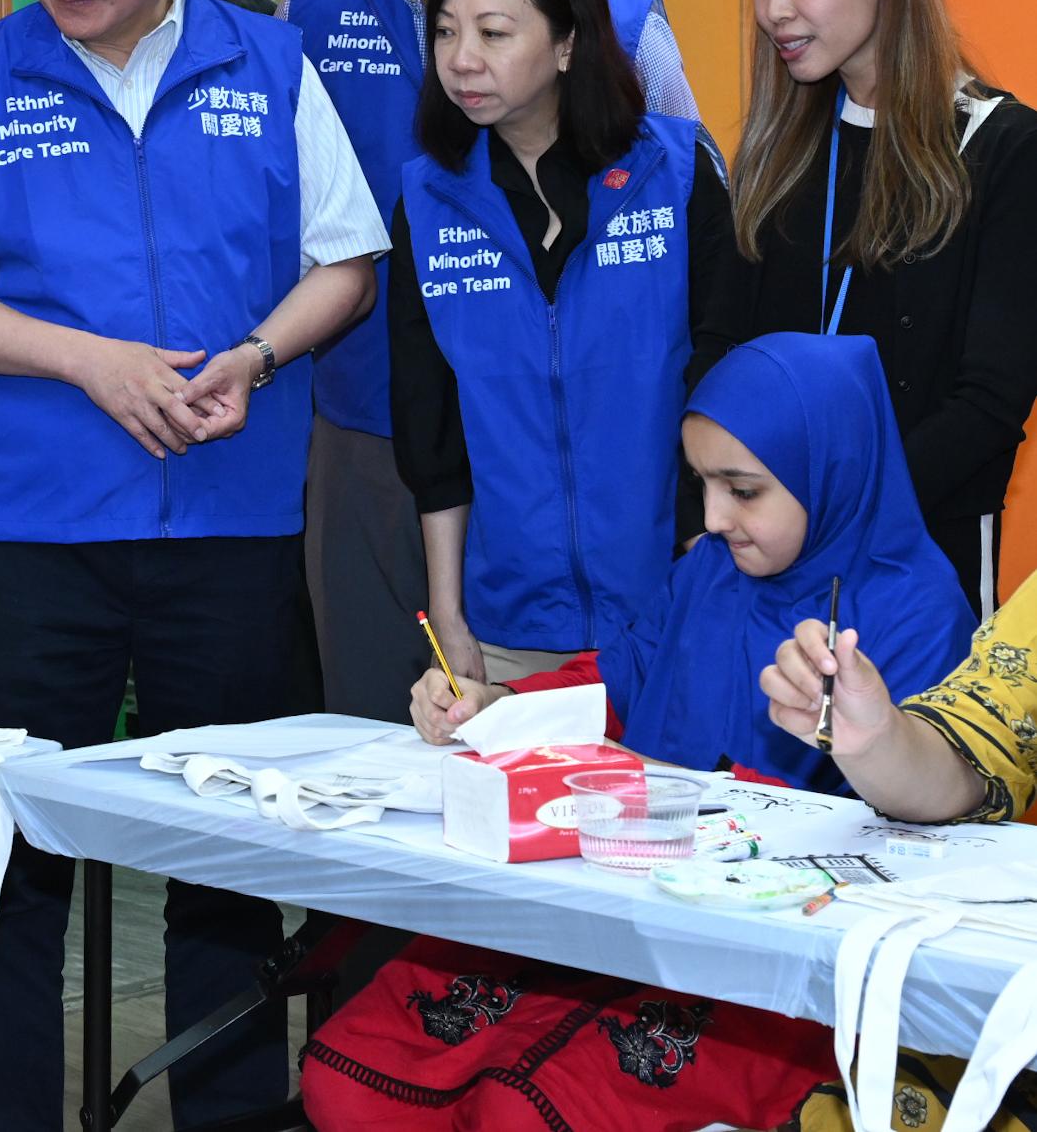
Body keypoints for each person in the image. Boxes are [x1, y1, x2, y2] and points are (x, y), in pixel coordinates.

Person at [0, 0, 386, 1124]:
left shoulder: (271, 67)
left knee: (219, 852)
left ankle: (221, 1113)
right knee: (12, 853)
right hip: (34, 531)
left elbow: (343, 261)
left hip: (229, 523)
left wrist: (257, 357)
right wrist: (87, 360)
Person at [307, 333, 973, 1130]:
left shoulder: (916, 610)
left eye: (744, 489)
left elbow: (925, 829)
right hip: (618, 911)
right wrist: (497, 707)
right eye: (702, 485)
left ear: (831, 470)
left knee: (526, 1112)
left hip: (776, 966)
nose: (715, 517)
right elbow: (616, 682)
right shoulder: (709, 572)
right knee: (354, 1071)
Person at [285, 0, 705, 721]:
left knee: (565, 741)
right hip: (368, 426)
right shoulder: (315, 4)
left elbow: (689, 224)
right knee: (373, 732)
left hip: (576, 457)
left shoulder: (621, 20)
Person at [389, 0, 745, 684]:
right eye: (446, 32)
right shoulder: (427, 200)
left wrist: (704, 570)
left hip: (677, 603)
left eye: (493, 32)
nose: (461, 60)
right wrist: (448, 615)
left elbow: (725, 384)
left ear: (567, 44)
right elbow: (433, 429)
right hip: (509, 626)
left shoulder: (676, 175)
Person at [733, 0, 1037, 614]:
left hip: (921, 563)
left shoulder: (1003, 148)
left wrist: (831, 503)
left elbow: (990, 403)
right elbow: (726, 350)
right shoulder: (778, 152)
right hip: (771, 564)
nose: (774, 9)